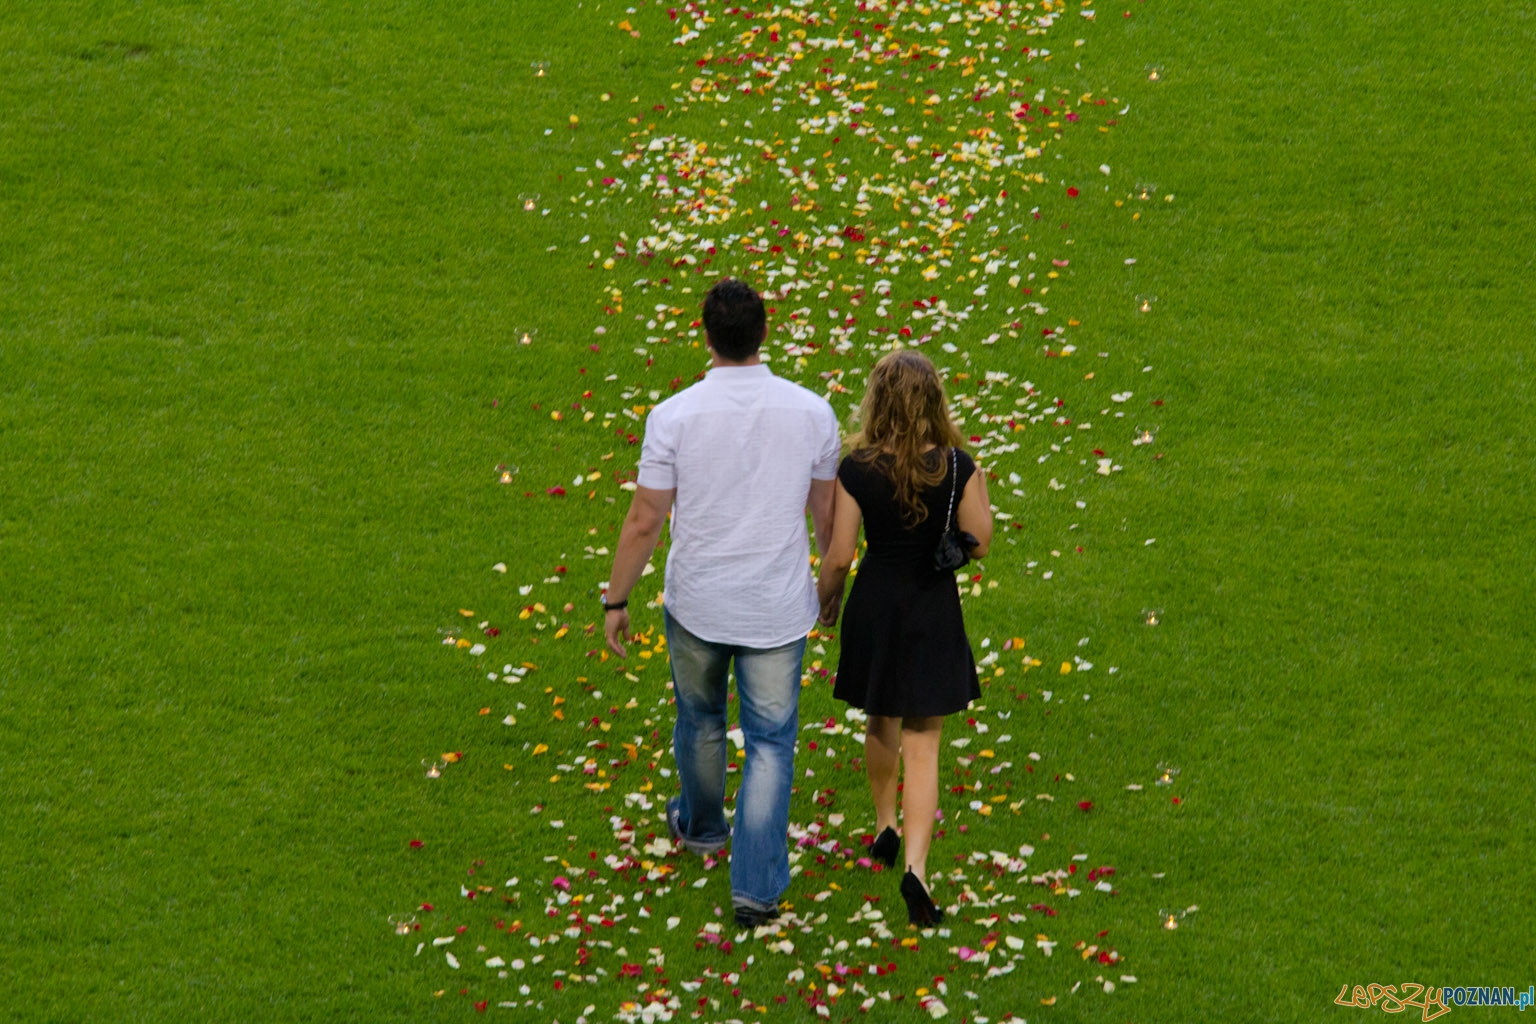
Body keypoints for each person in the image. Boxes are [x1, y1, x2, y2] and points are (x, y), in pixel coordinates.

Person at [604, 278, 840, 929]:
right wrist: (830, 585)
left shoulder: (673, 417)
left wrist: (616, 598)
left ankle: (704, 827)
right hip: (776, 605)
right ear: (764, 333)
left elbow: (645, 518)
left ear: (705, 336)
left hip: (699, 601)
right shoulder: (813, 413)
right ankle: (757, 888)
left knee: (701, 718)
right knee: (770, 743)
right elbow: (826, 516)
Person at [815, 349, 994, 926]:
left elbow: (841, 556)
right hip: (932, 608)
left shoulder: (857, 468)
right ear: (935, 400)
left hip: (876, 605)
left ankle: (884, 825)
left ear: (879, 400)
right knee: (925, 744)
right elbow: (980, 540)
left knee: (879, 717)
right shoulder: (959, 467)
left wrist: (827, 603)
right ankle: (917, 870)